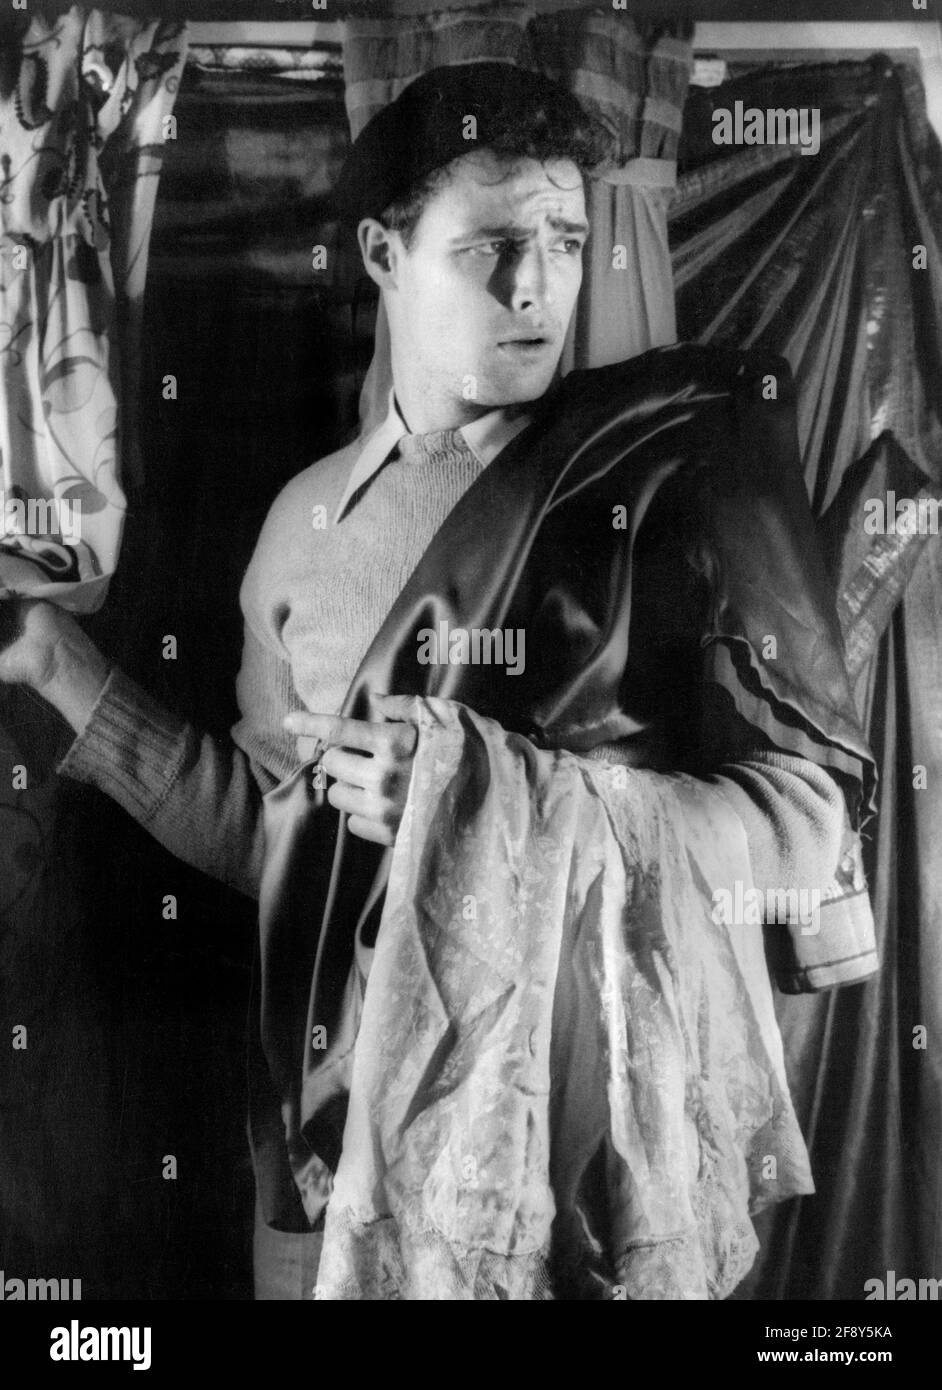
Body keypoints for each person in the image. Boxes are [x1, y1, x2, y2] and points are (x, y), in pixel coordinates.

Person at [0, 64, 876, 1300]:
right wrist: (63, 672)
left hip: (580, 1169)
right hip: (337, 1163)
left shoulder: (670, 473)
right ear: (383, 252)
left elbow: (813, 836)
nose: (539, 287)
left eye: (566, 241)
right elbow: (279, 842)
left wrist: (489, 799)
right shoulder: (301, 527)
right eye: (493, 246)